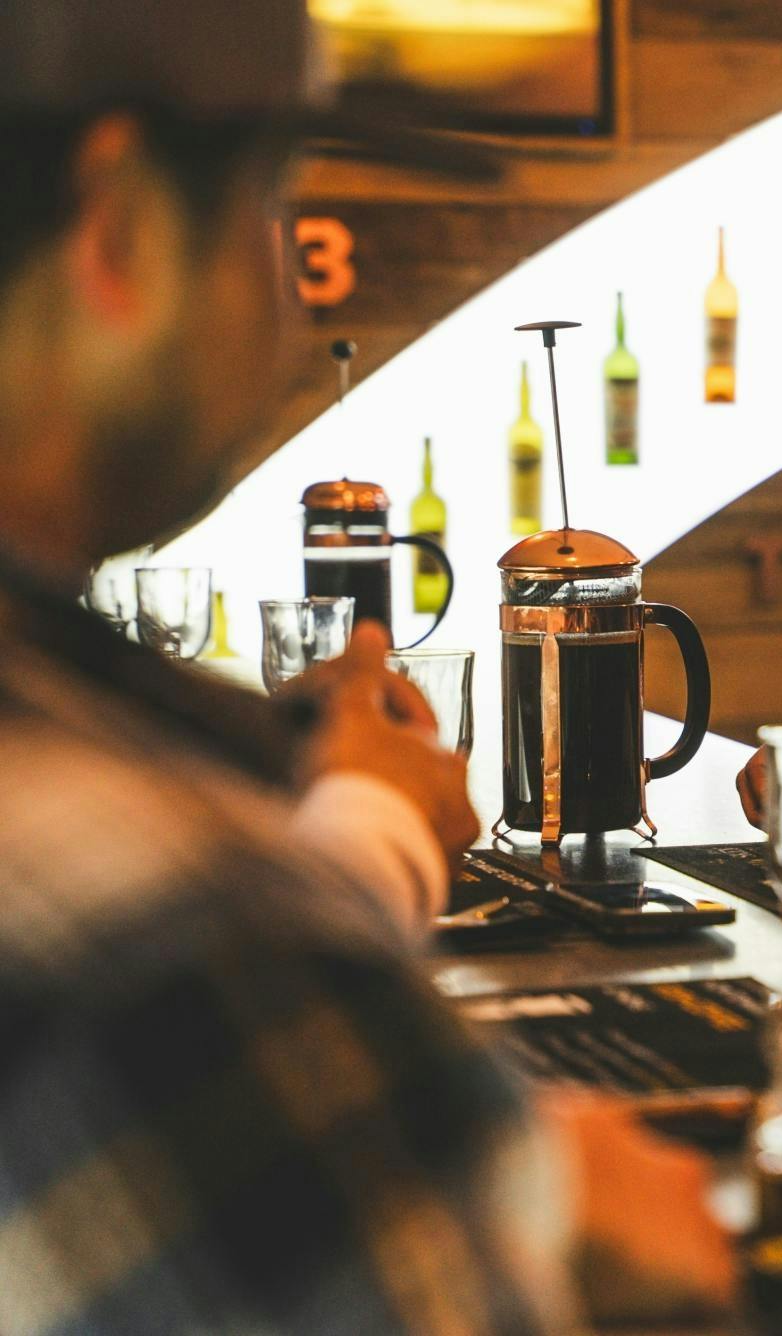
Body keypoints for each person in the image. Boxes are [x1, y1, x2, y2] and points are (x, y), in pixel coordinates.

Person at [0, 2, 730, 1327]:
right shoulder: (165, 934)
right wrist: (615, 1270)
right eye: (277, 202)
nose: (289, 294)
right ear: (119, 230)